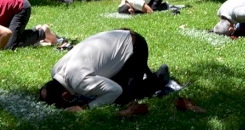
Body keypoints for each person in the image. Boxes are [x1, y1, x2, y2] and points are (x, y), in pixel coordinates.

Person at [38, 29, 169, 112]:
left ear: (65, 95)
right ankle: (139, 72)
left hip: (134, 47)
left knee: (124, 98)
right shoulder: (56, 70)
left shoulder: (80, 81)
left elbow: (115, 91)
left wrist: (85, 108)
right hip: (118, 36)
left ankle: (159, 77)